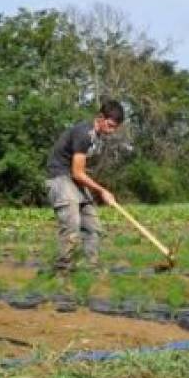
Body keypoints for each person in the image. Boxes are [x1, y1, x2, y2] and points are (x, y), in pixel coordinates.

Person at [45, 100, 124, 273]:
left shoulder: (97, 136)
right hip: (60, 177)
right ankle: (62, 270)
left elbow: (79, 172)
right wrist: (103, 191)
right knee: (72, 224)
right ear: (101, 118)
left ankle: (91, 268)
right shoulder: (84, 133)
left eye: (115, 128)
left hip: (73, 179)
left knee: (93, 226)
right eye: (110, 126)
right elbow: (78, 172)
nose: (112, 131)